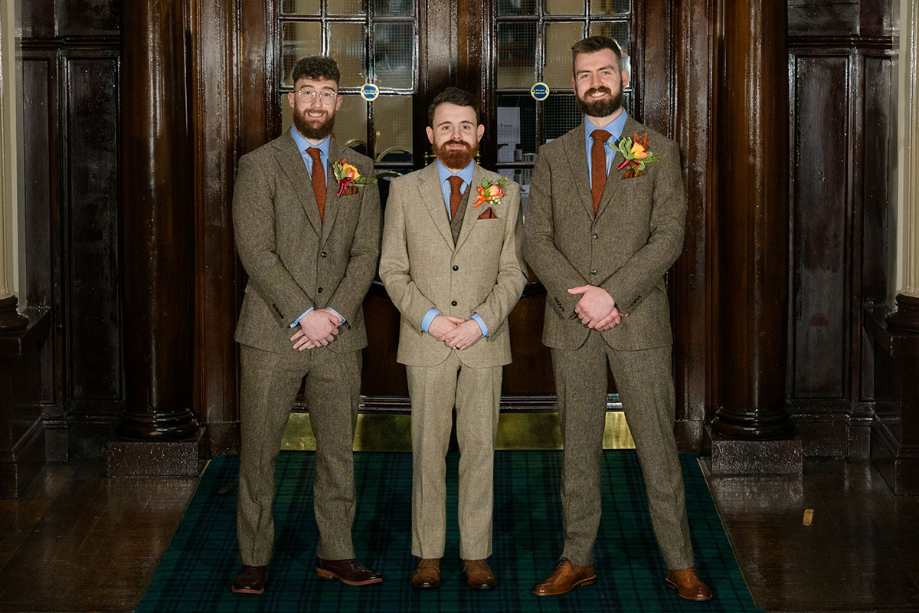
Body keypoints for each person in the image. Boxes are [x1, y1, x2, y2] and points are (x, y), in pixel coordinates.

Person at [524, 36, 712, 601]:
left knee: (657, 444)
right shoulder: (553, 155)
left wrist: (612, 295)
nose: (595, 83)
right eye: (584, 75)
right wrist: (580, 298)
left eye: (605, 72)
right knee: (577, 449)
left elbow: (669, 237)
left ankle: (680, 562)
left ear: (624, 78)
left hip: (639, 321)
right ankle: (575, 558)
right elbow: (537, 240)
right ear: (573, 84)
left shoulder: (658, 149)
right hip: (572, 322)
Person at [230, 55, 382, 594]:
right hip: (274, 334)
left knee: (339, 450)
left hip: (339, 335)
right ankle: (253, 558)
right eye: (307, 91)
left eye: (327, 92)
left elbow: (366, 253)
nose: (317, 101)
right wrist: (304, 314)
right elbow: (256, 250)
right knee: (260, 450)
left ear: (340, 102)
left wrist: (333, 315)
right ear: (291, 99)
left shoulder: (359, 169)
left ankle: (336, 552)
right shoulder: (259, 165)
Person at [379, 87, 527, 591]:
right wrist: (431, 320)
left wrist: (480, 322)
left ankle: (476, 553)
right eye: (446, 127)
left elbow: (514, 272)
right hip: (427, 341)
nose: (456, 136)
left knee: (480, 448)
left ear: (480, 134)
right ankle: (427, 552)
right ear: (430, 135)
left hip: (484, 341)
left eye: (465, 126)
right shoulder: (404, 190)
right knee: (427, 449)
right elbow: (392, 270)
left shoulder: (503, 193)